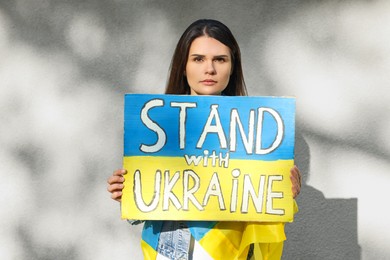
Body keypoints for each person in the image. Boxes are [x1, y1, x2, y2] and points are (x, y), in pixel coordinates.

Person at [107, 19, 302, 260]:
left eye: (220, 59)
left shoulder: (257, 132)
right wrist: (126, 193)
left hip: (230, 250)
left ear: (232, 67)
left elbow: (262, 207)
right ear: (184, 66)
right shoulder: (158, 124)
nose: (209, 69)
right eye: (198, 59)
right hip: (168, 250)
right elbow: (146, 206)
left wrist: (283, 194)